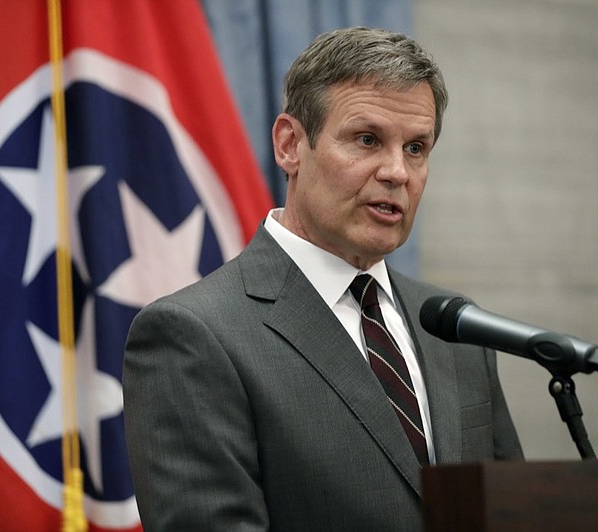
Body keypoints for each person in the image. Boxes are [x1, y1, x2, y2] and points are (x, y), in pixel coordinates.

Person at [123, 27, 523, 531]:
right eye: (367, 140)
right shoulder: (194, 335)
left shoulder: (454, 327)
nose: (397, 172)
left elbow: (512, 512)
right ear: (291, 145)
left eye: (417, 148)